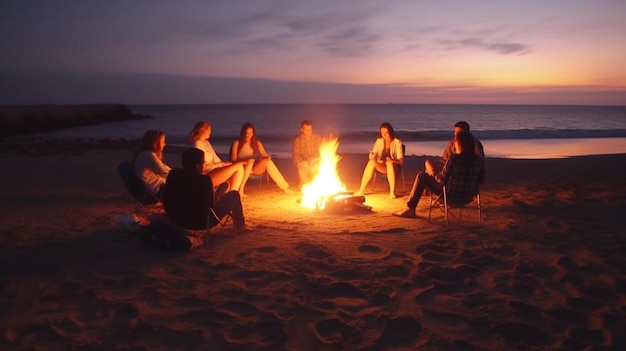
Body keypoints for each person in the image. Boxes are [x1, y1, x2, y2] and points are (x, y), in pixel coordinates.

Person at [162, 148, 251, 248]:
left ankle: (221, 192)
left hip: (178, 219)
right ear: (197, 165)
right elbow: (212, 205)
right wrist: (218, 196)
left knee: (223, 188)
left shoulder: (174, 175)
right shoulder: (204, 180)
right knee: (234, 195)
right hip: (203, 221)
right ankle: (240, 226)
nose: (203, 165)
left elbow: (166, 198)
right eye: (202, 162)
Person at [393, 131, 485, 218]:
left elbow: (441, 180)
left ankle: (411, 209)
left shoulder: (454, 159)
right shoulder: (479, 160)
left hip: (449, 197)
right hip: (467, 198)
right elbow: (481, 180)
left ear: (459, 145)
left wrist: (434, 173)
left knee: (421, 176)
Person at [230, 123, 294, 195]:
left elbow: (264, 155)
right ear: (243, 132)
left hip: (253, 168)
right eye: (246, 132)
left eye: (250, 133)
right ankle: (241, 190)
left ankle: (285, 188)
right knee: (250, 162)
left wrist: (267, 157)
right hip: (241, 168)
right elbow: (233, 160)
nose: (248, 135)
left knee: (268, 162)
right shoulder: (237, 143)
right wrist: (245, 162)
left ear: (253, 133)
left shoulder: (256, 143)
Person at [188, 121, 246, 194]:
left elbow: (216, 159)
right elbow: (202, 167)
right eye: (209, 130)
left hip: (213, 171)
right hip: (204, 176)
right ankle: (231, 195)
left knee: (238, 167)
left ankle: (230, 194)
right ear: (204, 130)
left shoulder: (206, 143)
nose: (210, 132)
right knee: (238, 167)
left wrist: (225, 164)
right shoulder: (196, 144)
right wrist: (218, 165)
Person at [354, 122, 404, 199]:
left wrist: (392, 160)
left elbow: (401, 161)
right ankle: (361, 190)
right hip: (382, 166)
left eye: (386, 133)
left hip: (394, 167)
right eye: (382, 133)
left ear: (390, 132)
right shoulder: (379, 141)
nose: (384, 135)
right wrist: (372, 155)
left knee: (390, 164)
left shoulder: (397, 142)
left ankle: (392, 192)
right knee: (371, 162)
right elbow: (372, 155)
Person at [131, 129, 172, 199]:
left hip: (150, 190)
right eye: (162, 142)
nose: (165, 144)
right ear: (156, 143)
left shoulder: (144, 154)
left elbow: (163, 167)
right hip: (154, 192)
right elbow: (164, 172)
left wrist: (177, 172)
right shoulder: (148, 155)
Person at [292, 120, 323, 188]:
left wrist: (315, 160)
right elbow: (295, 154)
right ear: (302, 130)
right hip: (304, 164)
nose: (308, 132)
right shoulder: (298, 141)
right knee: (301, 171)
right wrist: (301, 162)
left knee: (319, 169)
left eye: (310, 129)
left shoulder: (317, 138)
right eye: (306, 130)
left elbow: (322, 151)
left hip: (316, 163)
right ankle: (307, 188)